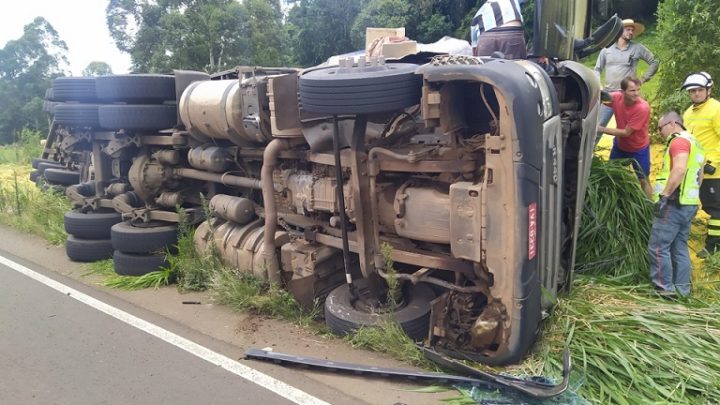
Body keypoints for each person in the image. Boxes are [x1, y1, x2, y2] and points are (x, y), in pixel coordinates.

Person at [648, 111, 704, 297]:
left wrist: (665, 195)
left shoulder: (678, 141)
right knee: (679, 247)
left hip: (673, 203)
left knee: (658, 247)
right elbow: (700, 176)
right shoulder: (695, 142)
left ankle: (664, 290)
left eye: (661, 128)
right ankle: (682, 291)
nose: (660, 132)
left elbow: (679, 169)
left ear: (672, 123)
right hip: (689, 203)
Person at [594, 19, 660, 144]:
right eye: (627, 29)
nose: (631, 32)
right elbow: (597, 69)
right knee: (598, 128)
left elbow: (654, 62)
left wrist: (643, 79)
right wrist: (599, 84)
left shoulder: (637, 48)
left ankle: (626, 154)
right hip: (609, 95)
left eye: (632, 30)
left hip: (628, 97)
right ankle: (589, 157)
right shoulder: (606, 50)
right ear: (619, 31)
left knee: (628, 131)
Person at [682, 71, 720, 257]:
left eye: (699, 90)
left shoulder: (716, 109)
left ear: (708, 90)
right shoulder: (688, 113)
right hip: (694, 168)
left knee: (715, 208)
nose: (695, 94)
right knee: (705, 205)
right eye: (692, 91)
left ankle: (713, 246)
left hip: (713, 170)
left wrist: (713, 162)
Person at [598, 76, 653, 198]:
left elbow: (626, 133)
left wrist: (600, 129)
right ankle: (615, 199)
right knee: (610, 173)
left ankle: (649, 208)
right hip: (620, 146)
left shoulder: (642, 108)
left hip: (638, 149)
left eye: (638, 90)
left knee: (643, 180)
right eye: (632, 90)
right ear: (622, 92)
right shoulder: (617, 98)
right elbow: (600, 97)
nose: (636, 93)